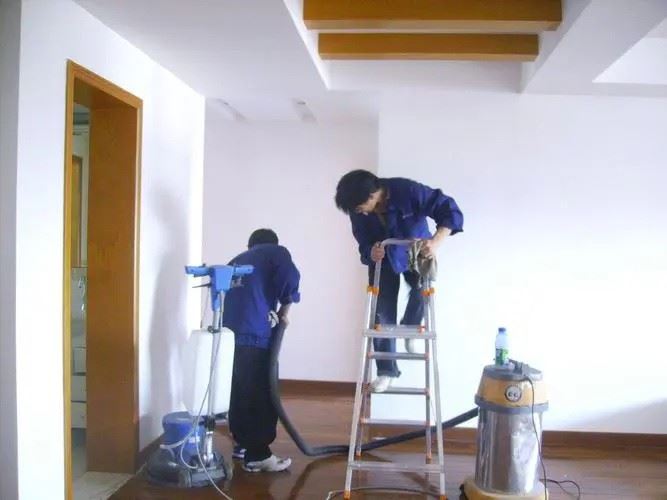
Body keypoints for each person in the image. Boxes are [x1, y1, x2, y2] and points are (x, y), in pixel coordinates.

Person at [335, 170, 463, 393]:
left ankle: (411, 327)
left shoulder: (408, 191)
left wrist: (436, 242)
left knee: (422, 292)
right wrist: (370, 252)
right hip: (384, 260)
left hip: (416, 251)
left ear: (372, 195)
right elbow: (363, 244)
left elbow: (448, 208)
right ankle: (386, 371)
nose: (358, 212)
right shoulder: (359, 213)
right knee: (382, 313)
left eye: (359, 207)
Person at [223, 228, 301, 472]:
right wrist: (285, 308)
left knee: (240, 391)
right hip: (255, 333)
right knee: (261, 393)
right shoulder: (276, 252)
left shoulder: (235, 261)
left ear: (250, 246)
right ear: (273, 243)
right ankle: (258, 455)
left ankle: (242, 445)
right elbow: (290, 278)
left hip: (229, 334)